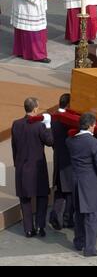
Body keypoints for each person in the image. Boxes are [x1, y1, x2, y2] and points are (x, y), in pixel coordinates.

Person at [66, 112, 97, 257]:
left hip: (76, 182)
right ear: (90, 125)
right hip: (90, 184)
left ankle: (79, 242)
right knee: (93, 215)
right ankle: (90, 248)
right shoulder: (94, 143)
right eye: (94, 125)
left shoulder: (70, 141)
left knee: (79, 214)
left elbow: (71, 135)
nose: (95, 127)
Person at [11, 97, 53, 237]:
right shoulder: (40, 125)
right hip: (38, 168)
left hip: (22, 167)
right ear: (35, 108)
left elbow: (14, 148)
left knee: (25, 199)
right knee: (42, 197)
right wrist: (48, 125)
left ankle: (28, 229)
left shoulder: (16, 124)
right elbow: (50, 141)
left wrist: (17, 164)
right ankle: (40, 227)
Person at [49, 93, 74, 231]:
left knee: (60, 190)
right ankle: (67, 218)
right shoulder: (68, 119)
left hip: (58, 157)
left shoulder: (53, 117)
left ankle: (55, 214)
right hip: (68, 160)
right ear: (69, 104)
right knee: (69, 191)